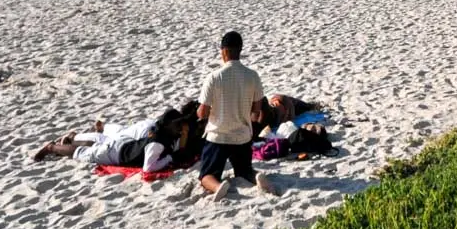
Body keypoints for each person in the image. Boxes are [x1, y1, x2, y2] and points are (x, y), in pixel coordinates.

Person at [197, 31, 278, 200]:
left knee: (206, 176)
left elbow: (203, 112)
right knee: (244, 171)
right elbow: (256, 110)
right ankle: (256, 177)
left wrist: (201, 112)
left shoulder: (214, 77)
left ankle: (219, 186)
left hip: (218, 137)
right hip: (242, 136)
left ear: (223, 51)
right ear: (240, 50)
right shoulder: (253, 76)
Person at [33, 109, 187, 173]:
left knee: (96, 147)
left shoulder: (158, 132)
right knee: (82, 154)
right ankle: (52, 147)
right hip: (117, 152)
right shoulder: (157, 142)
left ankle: (72, 139)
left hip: (123, 145)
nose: (181, 129)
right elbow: (148, 168)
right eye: (178, 125)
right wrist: (168, 158)